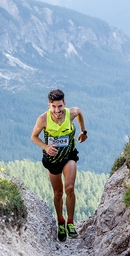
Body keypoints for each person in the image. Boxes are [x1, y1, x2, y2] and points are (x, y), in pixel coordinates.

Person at [31, 89, 88, 242]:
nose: (57, 110)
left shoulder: (71, 113)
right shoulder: (43, 119)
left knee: (69, 188)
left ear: (65, 104)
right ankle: (60, 221)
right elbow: (34, 137)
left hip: (69, 155)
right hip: (53, 159)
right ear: (49, 105)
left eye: (60, 106)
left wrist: (83, 131)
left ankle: (70, 222)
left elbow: (80, 112)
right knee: (57, 193)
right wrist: (45, 147)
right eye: (54, 107)